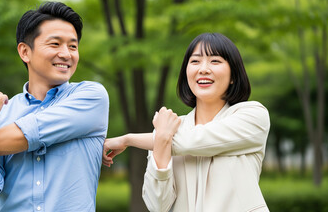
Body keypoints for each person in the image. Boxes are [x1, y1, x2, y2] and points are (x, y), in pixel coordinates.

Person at [0, 1, 109, 212]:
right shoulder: (2, 112)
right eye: (55, 44)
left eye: (73, 46)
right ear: (25, 52)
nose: (66, 54)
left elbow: (30, 133)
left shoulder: (91, 97)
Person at [103, 33, 270, 212]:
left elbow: (195, 140)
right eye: (195, 61)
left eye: (215, 61)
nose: (203, 69)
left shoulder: (252, 115)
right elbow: (157, 206)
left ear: (233, 76)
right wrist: (160, 139)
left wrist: (129, 140)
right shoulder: (167, 129)